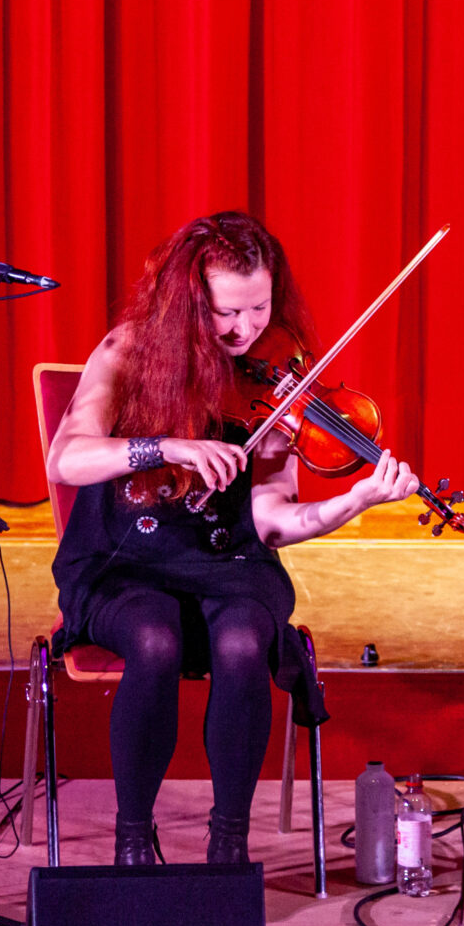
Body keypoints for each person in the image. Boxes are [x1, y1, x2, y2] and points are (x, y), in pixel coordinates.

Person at [45, 210, 420, 866]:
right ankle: (132, 841)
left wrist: (355, 500)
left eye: (258, 308)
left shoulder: (279, 376)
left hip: (230, 561)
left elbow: (273, 521)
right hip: (126, 562)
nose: (245, 330)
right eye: (226, 313)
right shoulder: (128, 353)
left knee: (245, 641)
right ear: (190, 303)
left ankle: (229, 844)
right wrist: (166, 446)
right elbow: (66, 459)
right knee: (154, 640)